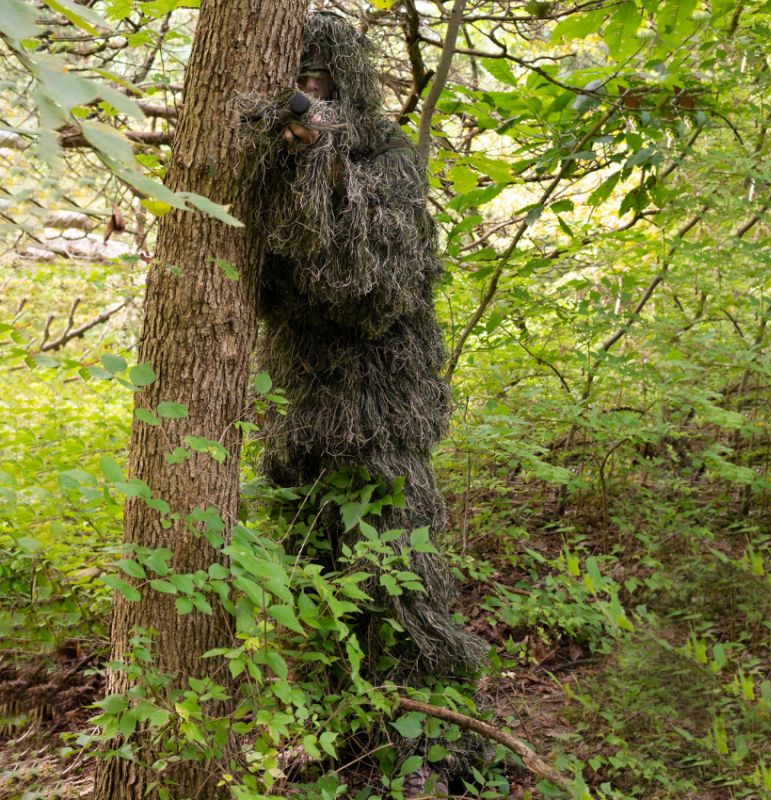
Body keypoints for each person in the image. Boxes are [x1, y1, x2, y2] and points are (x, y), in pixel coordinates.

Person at [242, 12, 486, 793]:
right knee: (314, 589)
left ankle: (435, 747)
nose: (310, 92)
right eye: (300, 78)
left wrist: (325, 162)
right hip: (300, 423)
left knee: (403, 587)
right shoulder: (268, 167)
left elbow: (373, 291)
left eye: (323, 78)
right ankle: (340, 733)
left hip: (381, 421)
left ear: (352, 84)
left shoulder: (391, 164)